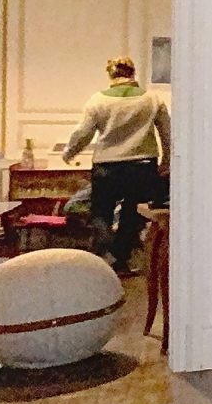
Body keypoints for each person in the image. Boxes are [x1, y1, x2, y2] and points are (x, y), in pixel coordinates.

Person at [62, 57, 171, 274]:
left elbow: (83, 133)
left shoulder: (98, 101)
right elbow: (167, 132)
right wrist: (166, 160)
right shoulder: (152, 99)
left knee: (100, 212)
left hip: (107, 165)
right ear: (133, 73)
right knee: (132, 213)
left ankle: (107, 251)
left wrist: (69, 152)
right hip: (142, 165)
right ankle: (120, 258)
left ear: (110, 75)